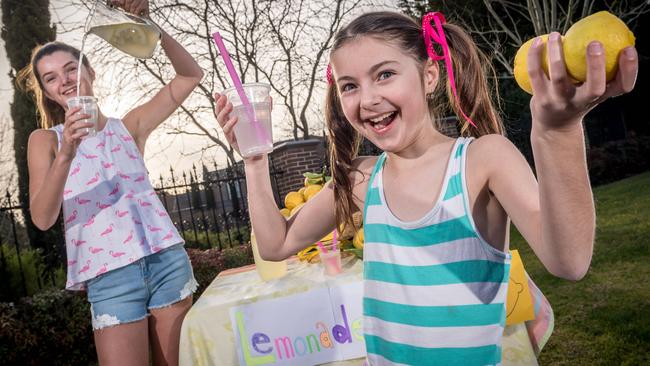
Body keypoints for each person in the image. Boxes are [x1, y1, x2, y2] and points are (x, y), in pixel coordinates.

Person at [214, 10, 638, 365]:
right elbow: (276, 244)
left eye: (384, 75)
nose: (368, 99)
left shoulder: (482, 160)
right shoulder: (362, 178)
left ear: (429, 76)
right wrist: (254, 160)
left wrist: (557, 132)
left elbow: (569, 261)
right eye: (350, 86)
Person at [18, 0, 203, 364]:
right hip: (109, 278)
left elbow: (189, 76)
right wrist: (68, 151)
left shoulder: (130, 127)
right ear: (47, 91)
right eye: (51, 77)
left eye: (71, 69)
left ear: (90, 71)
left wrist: (150, 25)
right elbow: (41, 218)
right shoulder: (46, 141)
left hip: (166, 262)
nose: (65, 80)